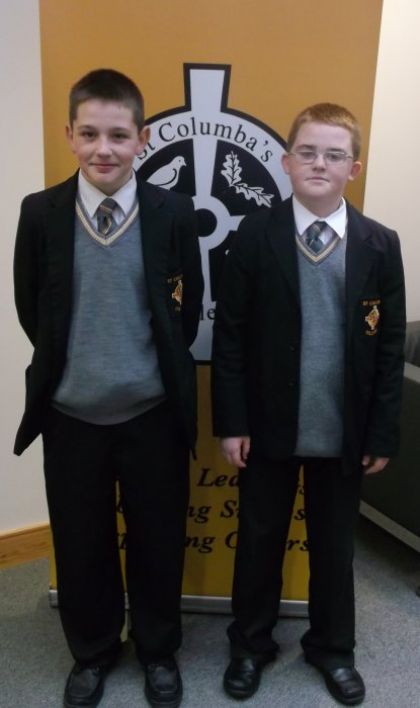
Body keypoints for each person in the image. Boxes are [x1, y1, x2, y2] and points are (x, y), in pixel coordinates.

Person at [14, 68, 203, 708]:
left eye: (119, 135)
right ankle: (93, 650)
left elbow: (184, 310)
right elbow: (32, 309)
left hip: (153, 412)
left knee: (158, 538)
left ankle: (157, 649)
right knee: (81, 541)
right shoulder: (39, 213)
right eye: (90, 133)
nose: (104, 148)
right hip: (71, 414)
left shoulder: (174, 214)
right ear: (69, 134)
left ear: (142, 139)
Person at [212, 103, 405, 706]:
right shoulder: (254, 234)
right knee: (259, 541)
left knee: (334, 547)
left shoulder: (380, 244)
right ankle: (250, 646)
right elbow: (231, 337)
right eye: (308, 152)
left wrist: (382, 431)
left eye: (335, 154)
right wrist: (232, 422)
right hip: (268, 428)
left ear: (354, 168)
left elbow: (388, 347)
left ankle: (332, 648)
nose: (320, 163)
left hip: (343, 431)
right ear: (286, 160)